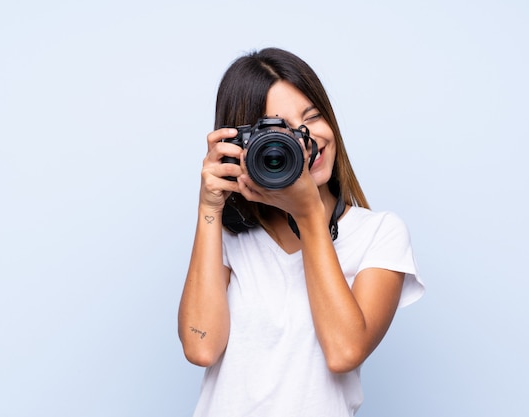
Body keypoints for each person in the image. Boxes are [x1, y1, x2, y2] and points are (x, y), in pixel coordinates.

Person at [178, 47, 424, 417]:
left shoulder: (379, 234)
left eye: (311, 118)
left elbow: (344, 352)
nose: (304, 141)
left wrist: (309, 215)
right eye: (279, 132)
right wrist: (208, 209)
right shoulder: (232, 237)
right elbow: (201, 347)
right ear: (242, 145)